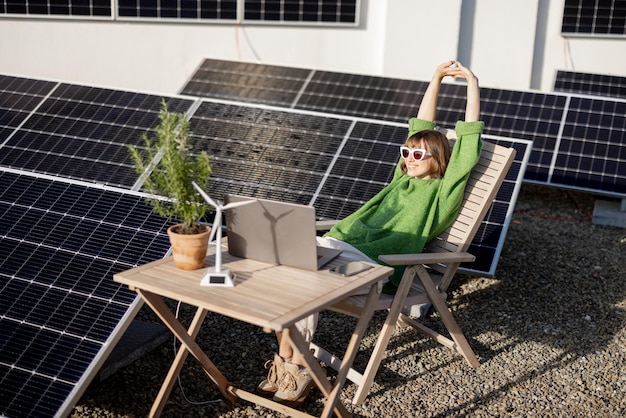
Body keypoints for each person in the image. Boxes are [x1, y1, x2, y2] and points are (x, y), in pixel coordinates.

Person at [257, 60, 484, 406]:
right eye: (406, 152)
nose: (409, 158)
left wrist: (471, 82)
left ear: (438, 160)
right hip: (338, 247)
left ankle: (299, 364)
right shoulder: (402, 180)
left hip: (373, 266)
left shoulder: (442, 192)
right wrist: (435, 78)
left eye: (418, 154)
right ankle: (289, 360)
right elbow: (420, 125)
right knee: (287, 265)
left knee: (303, 278)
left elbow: (468, 141)